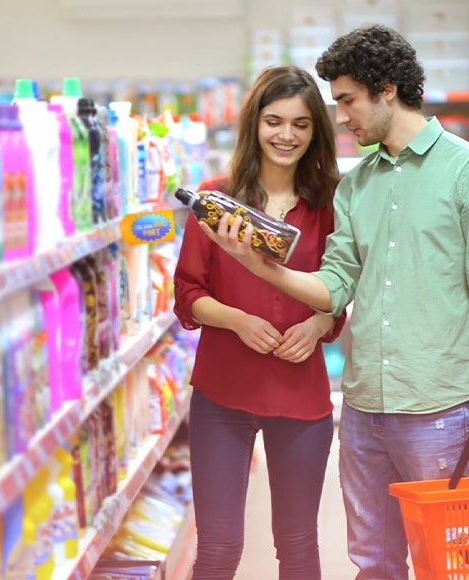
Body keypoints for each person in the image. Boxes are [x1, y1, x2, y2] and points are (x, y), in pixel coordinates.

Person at [198, 25, 469, 578]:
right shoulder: (355, 185)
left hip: (439, 409)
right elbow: (335, 285)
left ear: (386, 89)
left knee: (453, 565)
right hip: (366, 412)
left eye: (346, 100)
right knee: (373, 562)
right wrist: (257, 263)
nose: (341, 117)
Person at [173, 65, 346, 579]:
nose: (286, 135)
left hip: (300, 395)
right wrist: (237, 321)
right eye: (274, 121)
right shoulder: (217, 198)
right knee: (219, 549)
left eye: (300, 124)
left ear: (316, 130)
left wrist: (317, 326)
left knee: (297, 547)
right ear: (254, 124)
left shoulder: (332, 203)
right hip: (221, 393)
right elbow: (187, 293)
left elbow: (341, 294)